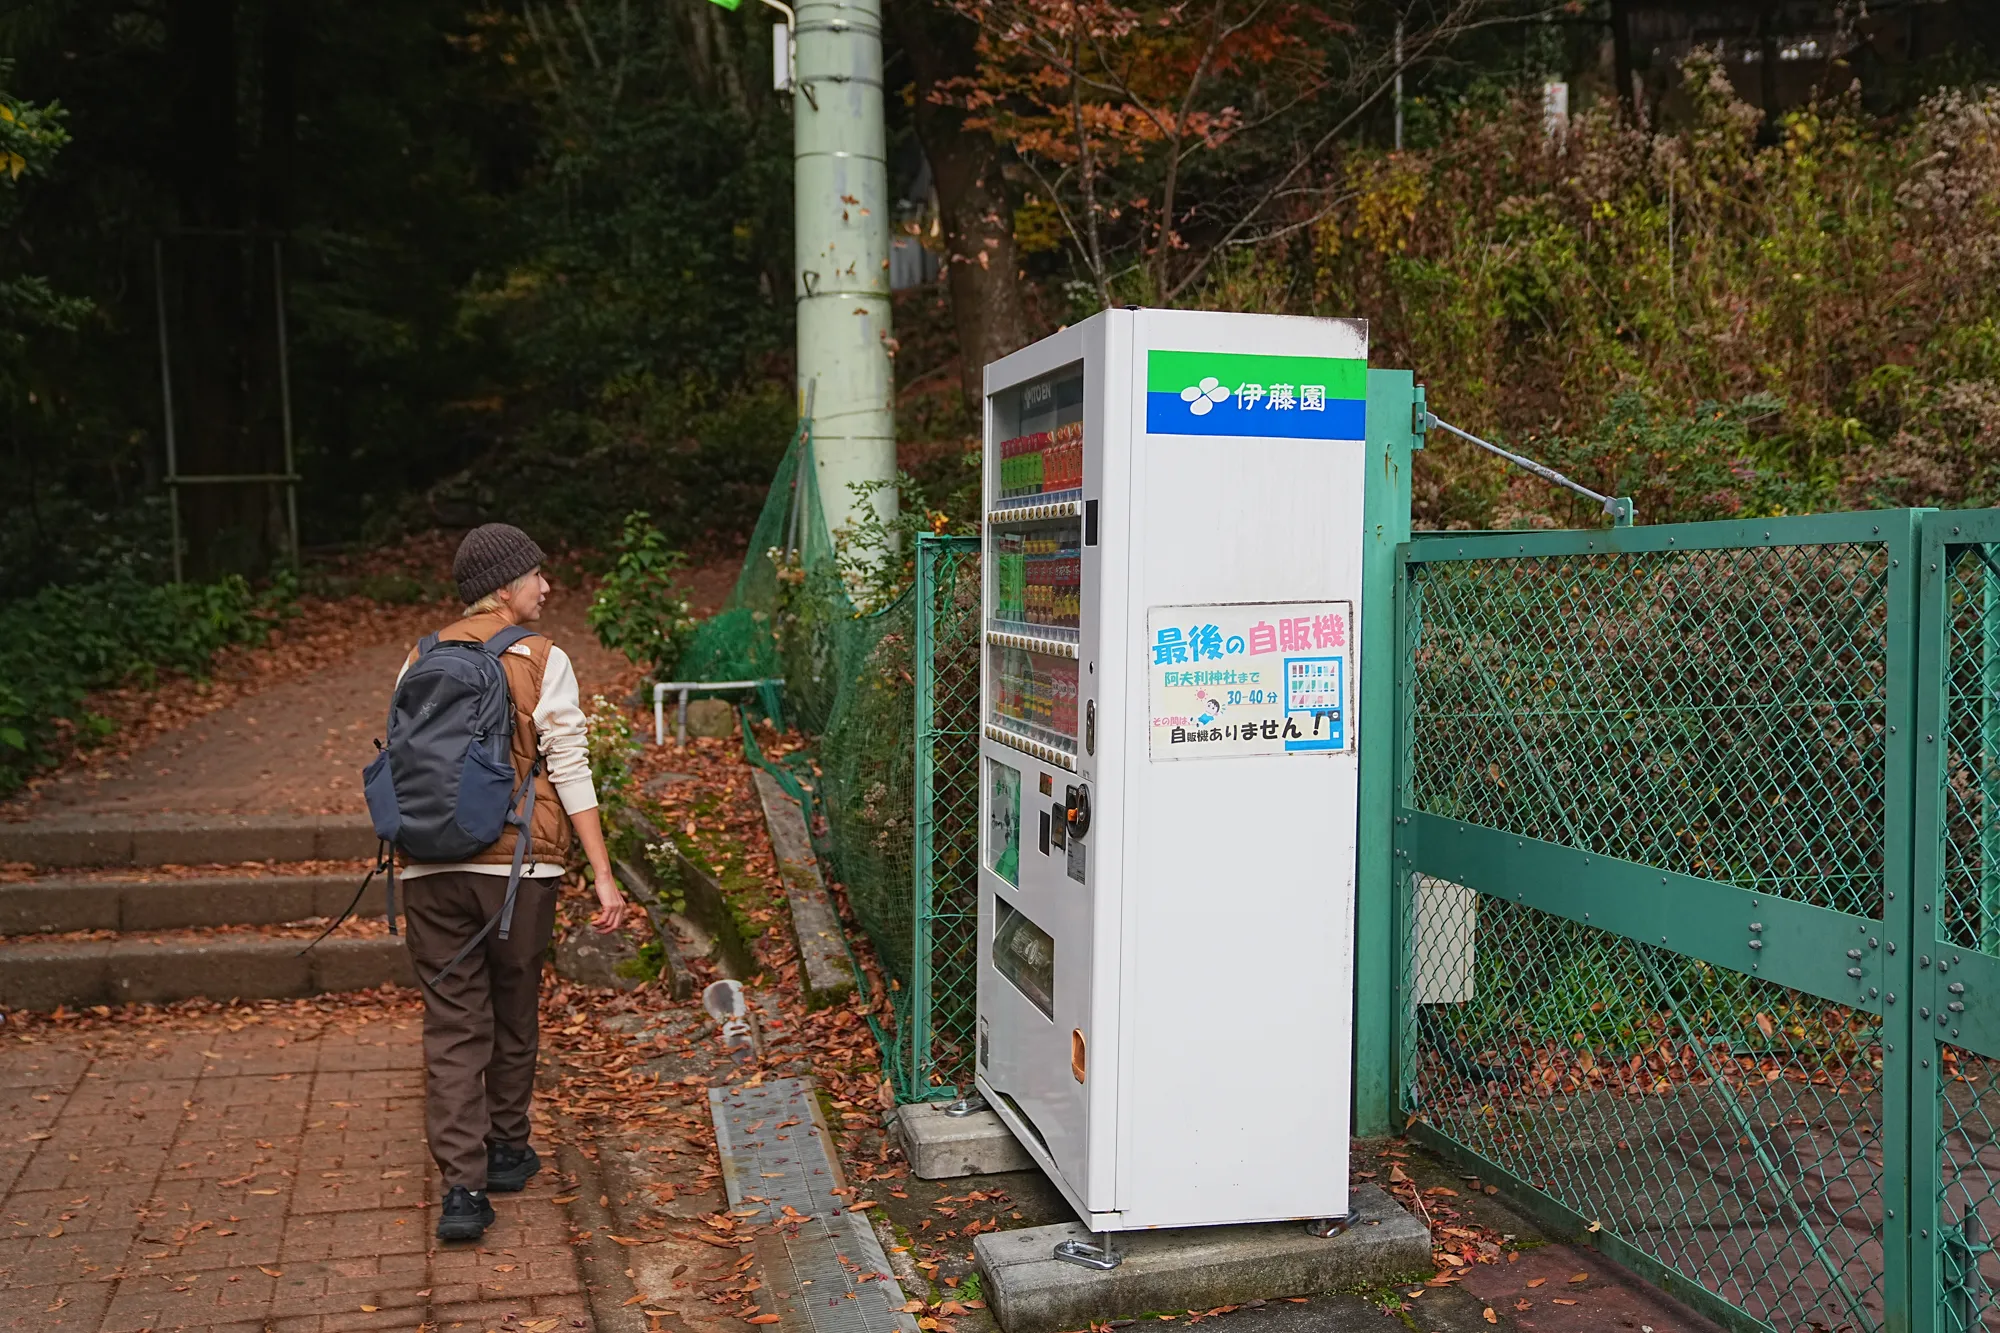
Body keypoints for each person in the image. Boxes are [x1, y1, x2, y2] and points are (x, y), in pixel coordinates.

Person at [395, 522, 628, 1242]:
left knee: (453, 1024)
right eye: (536, 574)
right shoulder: (542, 658)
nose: (546, 586)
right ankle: (505, 1149)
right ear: (504, 587)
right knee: (513, 1005)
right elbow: (571, 766)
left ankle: (461, 1193)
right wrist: (603, 872)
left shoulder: (419, 656)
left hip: (427, 868)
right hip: (519, 867)